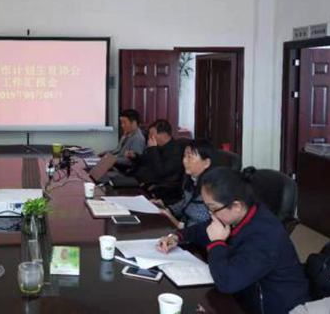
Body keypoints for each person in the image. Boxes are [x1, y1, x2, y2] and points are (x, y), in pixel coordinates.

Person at [157, 167, 310, 314]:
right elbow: (204, 228)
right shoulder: (240, 214)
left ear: (236, 206)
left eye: (213, 208)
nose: (211, 214)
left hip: (276, 308)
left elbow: (227, 282)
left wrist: (217, 243)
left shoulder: (265, 236)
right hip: (243, 294)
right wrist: (177, 237)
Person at [152, 139, 215, 228]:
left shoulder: (211, 190)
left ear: (206, 163)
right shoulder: (191, 180)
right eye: (184, 156)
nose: (185, 160)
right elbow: (185, 203)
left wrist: (175, 222)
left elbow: (202, 227)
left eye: (190, 157)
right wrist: (167, 208)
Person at [133, 119, 183, 185]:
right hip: (143, 179)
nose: (149, 138)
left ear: (163, 134)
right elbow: (146, 162)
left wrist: (153, 149)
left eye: (151, 135)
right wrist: (135, 156)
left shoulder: (175, 150)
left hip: (160, 185)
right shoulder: (158, 146)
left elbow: (161, 172)